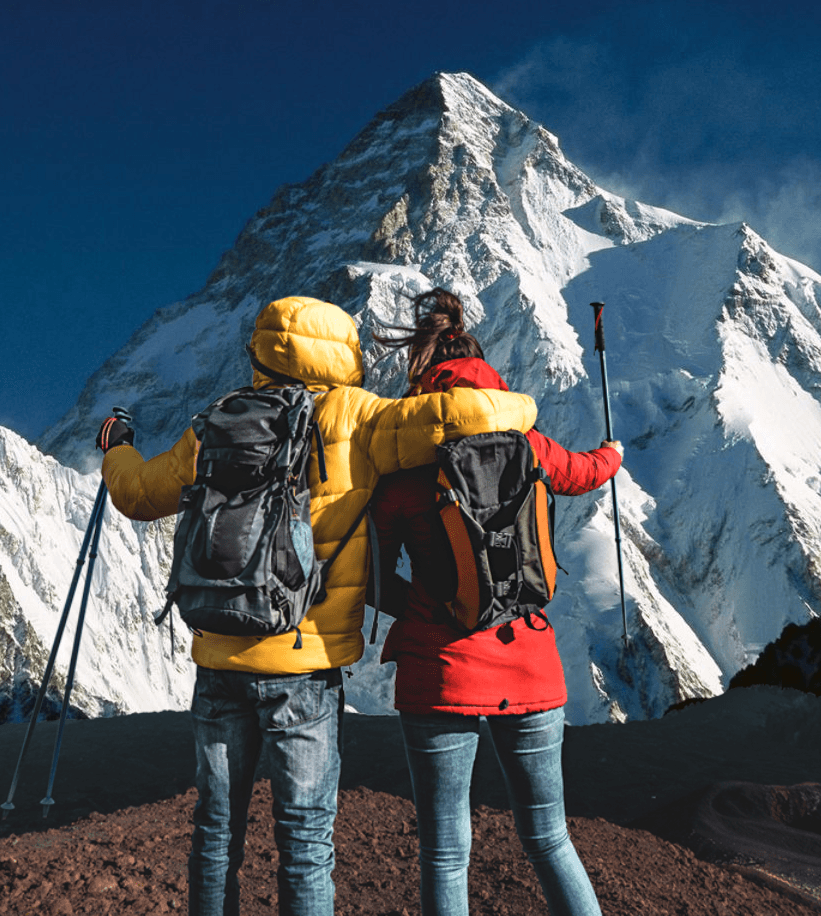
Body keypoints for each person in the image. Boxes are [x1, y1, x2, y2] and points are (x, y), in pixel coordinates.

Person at [97, 295, 540, 916]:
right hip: (304, 666)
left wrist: (116, 448)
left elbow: (138, 495)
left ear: (260, 353)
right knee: (304, 842)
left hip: (221, 655)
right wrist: (526, 408)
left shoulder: (217, 422)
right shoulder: (358, 418)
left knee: (215, 834)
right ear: (344, 354)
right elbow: (474, 415)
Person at [371, 288, 622, 916]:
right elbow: (586, 472)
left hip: (439, 670)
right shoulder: (529, 445)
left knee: (445, 851)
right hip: (530, 661)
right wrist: (613, 455)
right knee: (548, 837)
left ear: (425, 383)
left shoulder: (402, 469)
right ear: (489, 379)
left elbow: (374, 578)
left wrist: (429, 612)